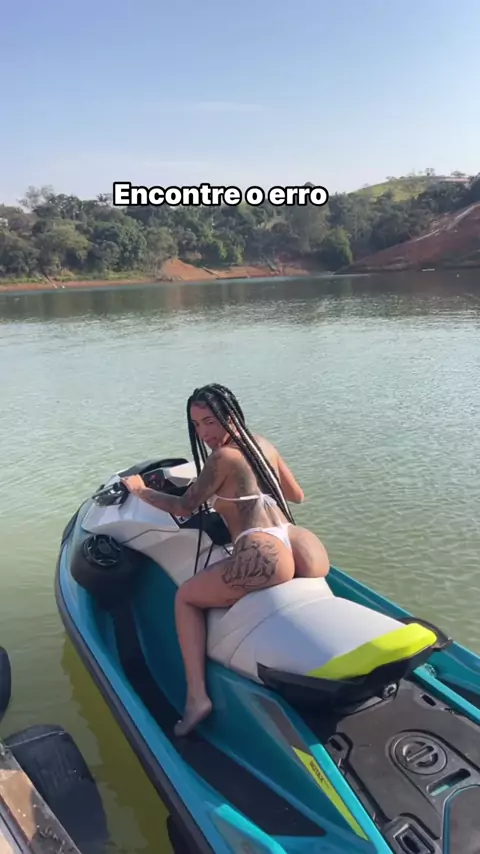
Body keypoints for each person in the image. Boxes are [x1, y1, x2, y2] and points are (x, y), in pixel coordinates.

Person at [121, 383, 330, 737]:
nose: (205, 433)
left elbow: (183, 506)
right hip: (303, 544)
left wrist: (141, 490)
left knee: (186, 597)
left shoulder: (222, 459)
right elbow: (296, 494)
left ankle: (196, 698)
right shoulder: (262, 444)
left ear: (230, 416)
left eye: (210, 421)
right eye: (197, 425)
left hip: (264, 551)